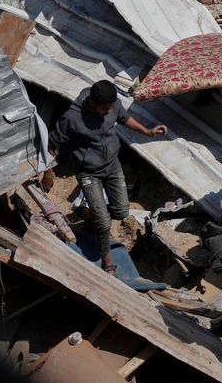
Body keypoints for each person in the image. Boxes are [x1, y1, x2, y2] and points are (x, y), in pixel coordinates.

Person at [45, 80, 166, 271]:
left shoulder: (112, 103)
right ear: (92, 103)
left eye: (111, 107)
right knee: (103, 222)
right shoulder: (72, 118)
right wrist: (48, 173)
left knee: (121, 211)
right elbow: (51, 145)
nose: (109, 111)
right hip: (89, 172)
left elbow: (124, 118)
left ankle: (85, 213)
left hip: (112, 165)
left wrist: (147, 131)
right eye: (104, 108)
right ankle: (107, 263)